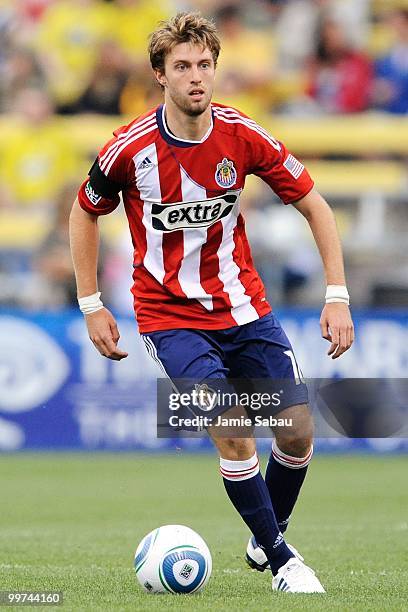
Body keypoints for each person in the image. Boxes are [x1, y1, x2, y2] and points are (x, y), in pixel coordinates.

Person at [69, 12, 354, 594]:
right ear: (160, 75)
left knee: (297, 433)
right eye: (182, 67)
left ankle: (263, 532)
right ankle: (283, 562)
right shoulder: (130, 148)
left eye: (204, 65)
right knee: (232, 428)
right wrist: (92, 303)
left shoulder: (242, 135)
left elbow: (316, 206)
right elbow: (84, 211)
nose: (196, 77)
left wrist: (337, 295)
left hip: (244, 307)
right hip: (170, 316)